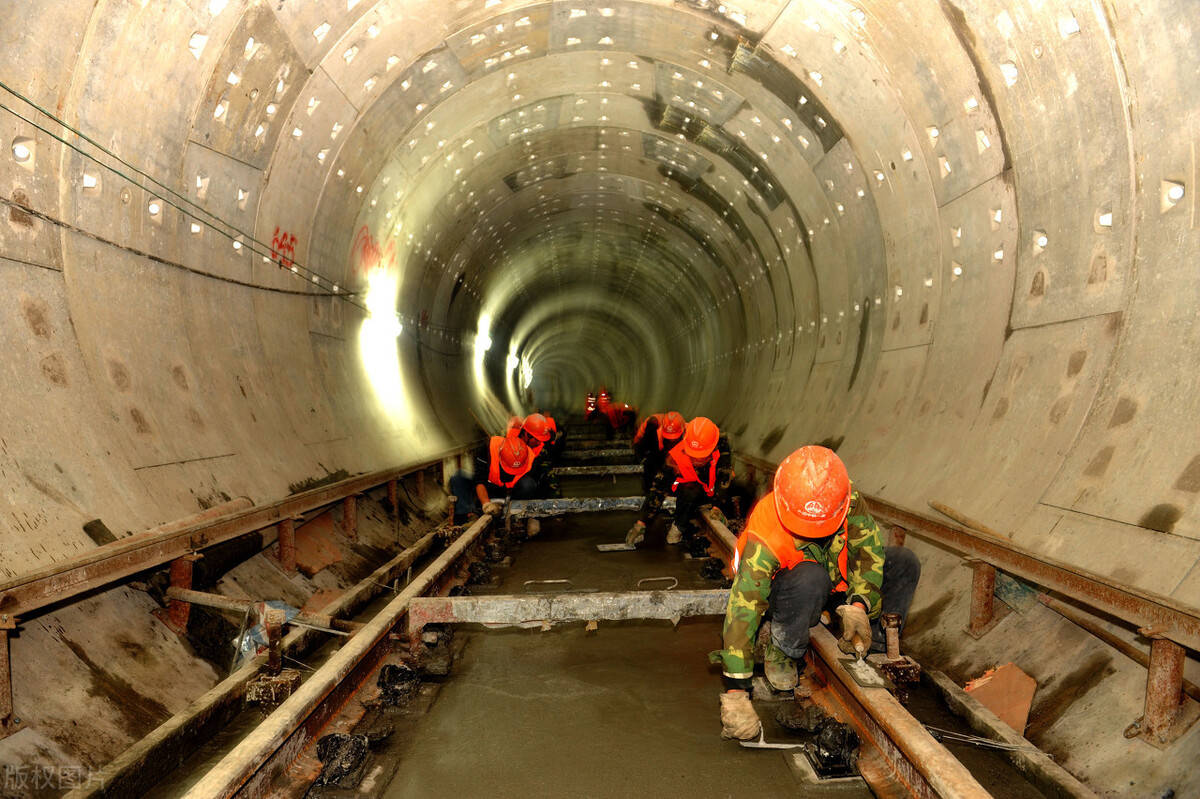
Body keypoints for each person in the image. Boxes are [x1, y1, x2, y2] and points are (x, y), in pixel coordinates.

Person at [713, 445, 922, 740]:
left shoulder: (845, 499)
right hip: (788, 590)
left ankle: (867, 642)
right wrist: (735, 689)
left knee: (903, 563)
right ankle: (784, 648)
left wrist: (860, 605)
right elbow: (744, 606)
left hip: (832, 581)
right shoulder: (767, 524)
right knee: (812, 577)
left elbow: (867, 555)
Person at [625, 416, 732, 546]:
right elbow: (659, 489)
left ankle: (711, 509)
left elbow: (724, 478)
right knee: (689, 490)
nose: (696, 461)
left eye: (701, 457)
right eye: (693, 456)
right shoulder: (675, 456)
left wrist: (718, 506)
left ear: (713, 447)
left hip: (711, 492)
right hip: (688, 493)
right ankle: (679, 526)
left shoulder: (721, 445)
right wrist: (642, 523)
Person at [448, 434, 538, 530]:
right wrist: (486, 504)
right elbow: (479, 480)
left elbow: (536, 490)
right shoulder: (487, 448)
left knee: (529, 484)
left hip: (511, 493)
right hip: (488, 487)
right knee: (458, 477)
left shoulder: (530, 458)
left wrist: (532, 517)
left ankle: (517, 518)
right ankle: (466, 517)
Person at [632, 411, 686, 494]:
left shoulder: (688, 432)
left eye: (674, 438)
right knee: (650, 464)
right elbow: (653, 451)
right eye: (670, 438)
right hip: (643, 444)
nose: (672, 440)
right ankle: (649, 490)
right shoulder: (653, 433)